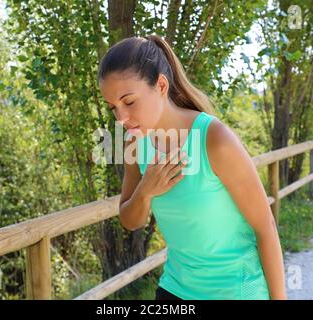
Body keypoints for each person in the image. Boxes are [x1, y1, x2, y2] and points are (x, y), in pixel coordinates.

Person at [97, 34, 287, 300]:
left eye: (129, 102)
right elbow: (130, 220)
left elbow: (265, 226)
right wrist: (145, 191)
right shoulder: (135, 142)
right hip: (176, 290)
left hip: (235, 290)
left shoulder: (214, 139)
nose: (122, 118)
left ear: (161, 86)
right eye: (113, 108)